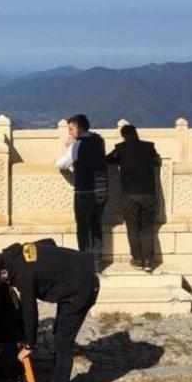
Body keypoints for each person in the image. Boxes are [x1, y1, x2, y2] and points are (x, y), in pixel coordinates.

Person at [0, 238, 99, 382]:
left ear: (3, 272)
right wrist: (55, 270)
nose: (5, 283)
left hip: (81, 289)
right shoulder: (21, 251)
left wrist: (29, 345)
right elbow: (50, 242)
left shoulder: (23, 274)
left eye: (1, 280)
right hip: (78, 278)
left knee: (63, 343)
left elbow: (30, 311)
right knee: (59, 334)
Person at [55, 114, 108, 270]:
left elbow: (62, 163)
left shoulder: (78, 144)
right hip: (103, 191)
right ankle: (97, 262)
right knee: (96, 225)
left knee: (83, 227)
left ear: (79, 128)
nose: (69, 133)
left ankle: (86, 262)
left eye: (71, 129)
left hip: (85, 192)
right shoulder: (99, 140)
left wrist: (68, 147)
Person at [107, 123, 162, 272]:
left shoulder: (120, 148)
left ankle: (137, 259)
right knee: (147, 228)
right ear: (136, 133)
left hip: (129, 194)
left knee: (133, 227)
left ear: (123, 136)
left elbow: (108, 159)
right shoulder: (149, 147)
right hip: (148, 194)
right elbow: (157, 162)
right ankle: (148, 261)